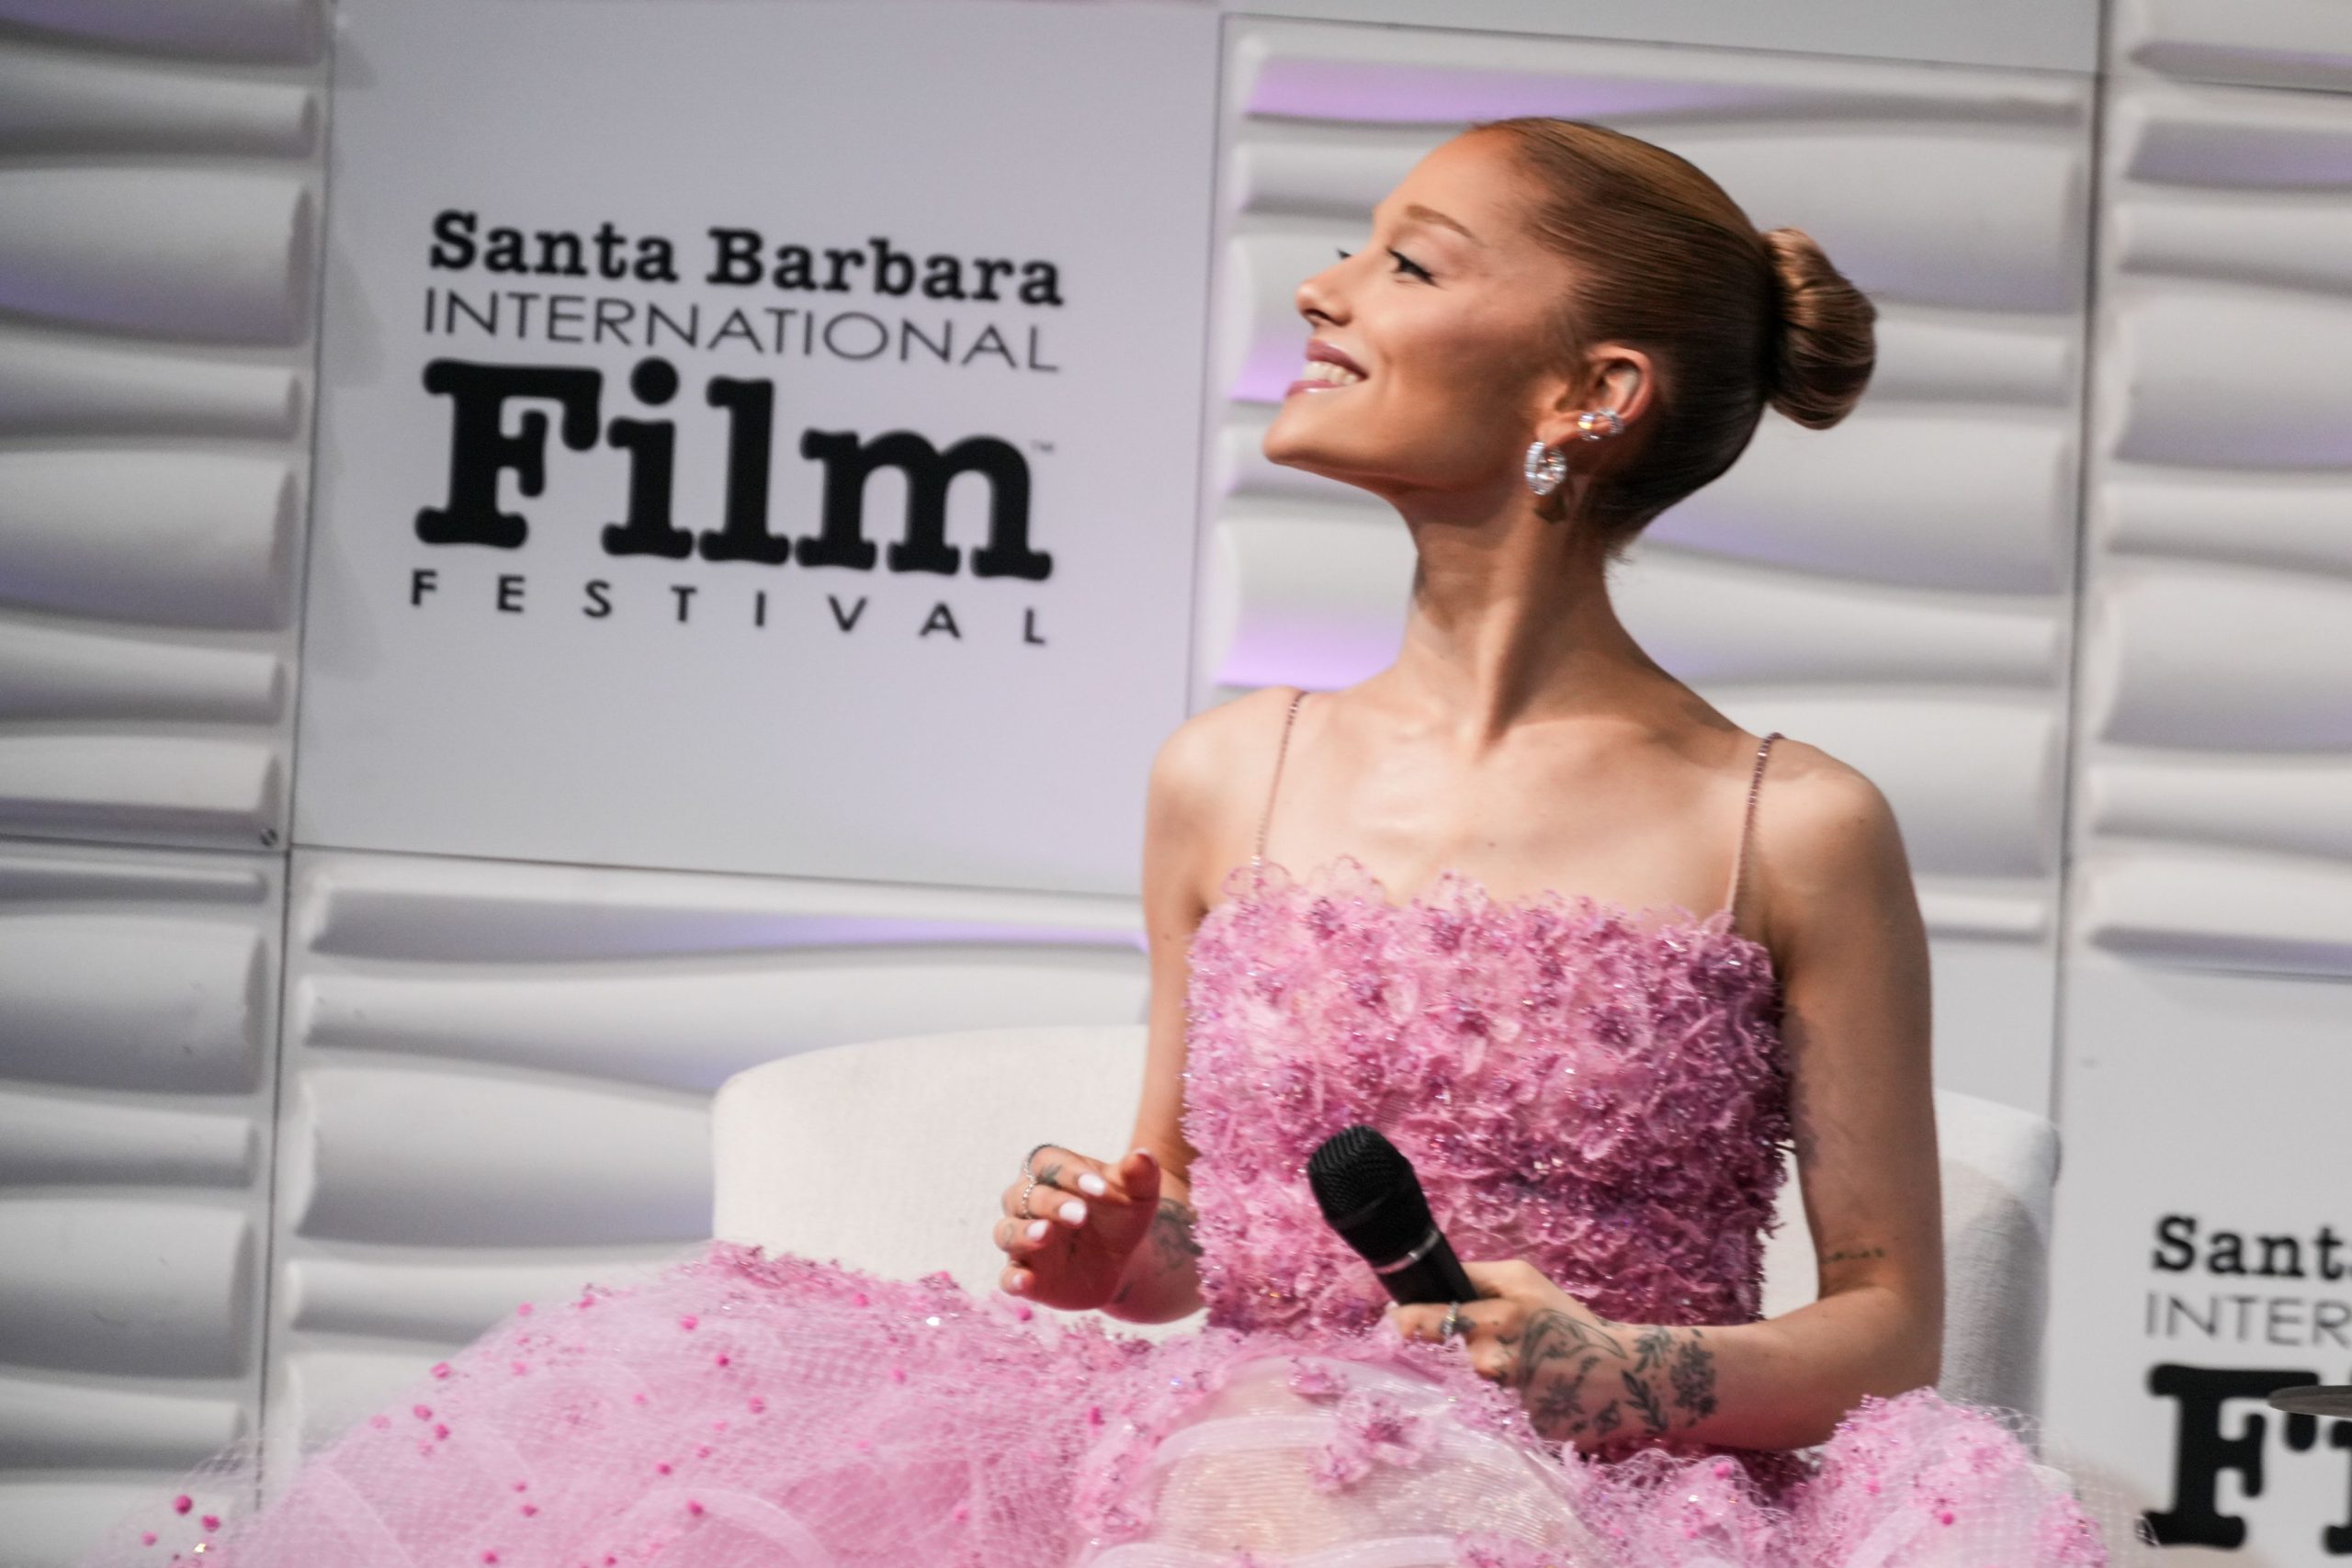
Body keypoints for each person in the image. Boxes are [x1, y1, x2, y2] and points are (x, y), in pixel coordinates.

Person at [86, 118, 2142, 1568]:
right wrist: (1116, 1251)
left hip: (1610, 1507)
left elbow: (1883, 1320)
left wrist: (1630, 1372)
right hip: (1222, 1467)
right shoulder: (1220, 775)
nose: (1327, 289)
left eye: (1411, 262)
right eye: (1353, 248)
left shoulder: (1785, 818)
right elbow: (1197, 1246)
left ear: (1586, 391)